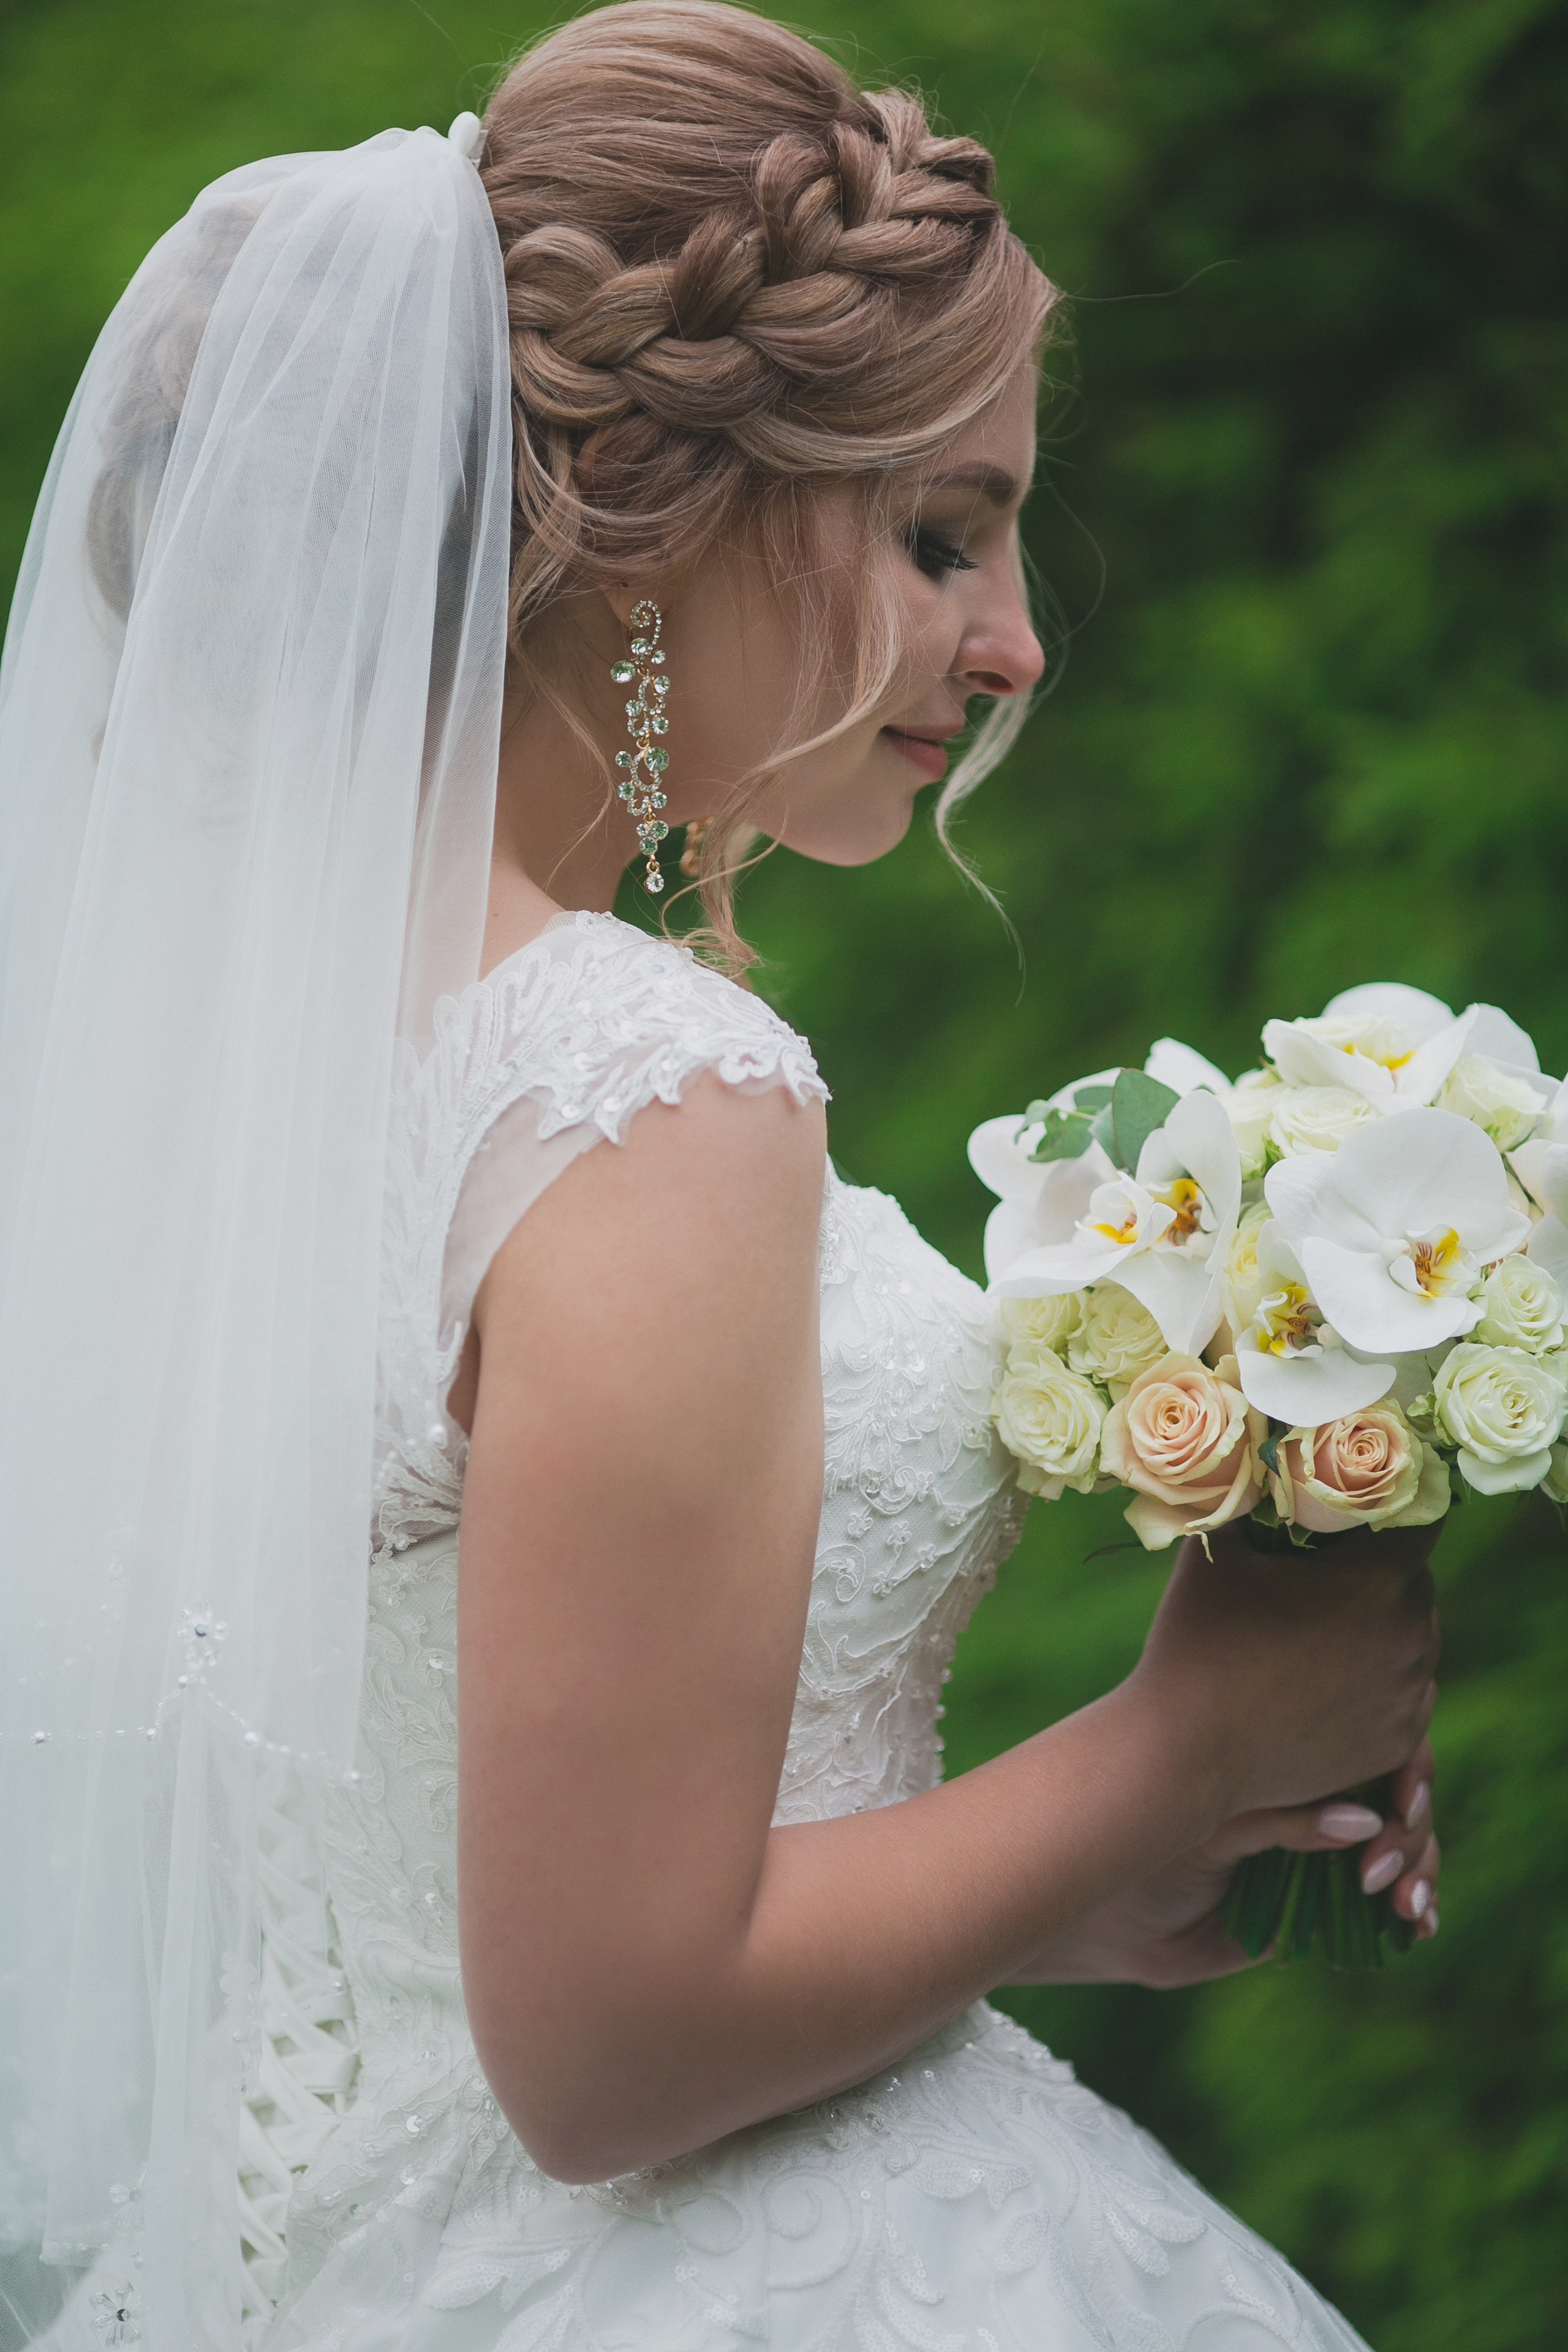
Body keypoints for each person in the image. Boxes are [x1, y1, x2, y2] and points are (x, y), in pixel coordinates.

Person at [0, 6, 1442, 2346]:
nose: (1016, 642)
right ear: (663, 519)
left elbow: (446, 1868)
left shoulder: (229, 1072)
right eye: (941, 532)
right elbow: (609, 2054)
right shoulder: (640, 1086)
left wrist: (1055, 1893)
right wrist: (1179, 1745)